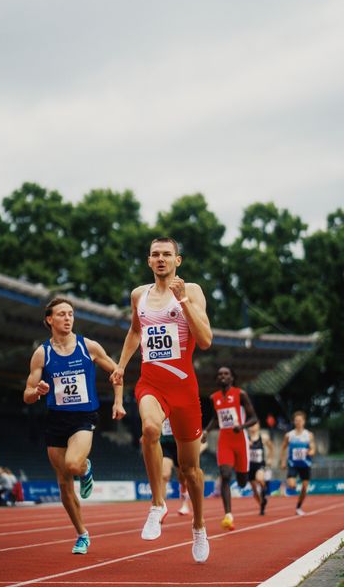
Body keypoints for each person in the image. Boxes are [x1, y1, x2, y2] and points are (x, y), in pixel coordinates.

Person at [111, 237, 212, 563]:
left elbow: (206, 340)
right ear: (149, 260)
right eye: (155, 254)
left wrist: (183, 302)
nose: (161, 259)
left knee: (191, 470)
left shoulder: (192, 290)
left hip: (184, 388)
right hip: (151, 383)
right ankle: (157, 504)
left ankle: (198, 525)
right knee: (150, 430)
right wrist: (122, 365)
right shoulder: (138, 295)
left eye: (167, 254)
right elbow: (135, 332)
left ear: (177, 260)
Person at [24, 297, 125, 555]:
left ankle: (86, 467)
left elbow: (116, 373)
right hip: (56, 420)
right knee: (63, 483)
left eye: (70, 314)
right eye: (61, 314)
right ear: (49, 320)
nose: (68, 318)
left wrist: (118, 402)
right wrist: (38, 391)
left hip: (83, 417)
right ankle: (82, 534)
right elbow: (26, 394)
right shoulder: (42, 353)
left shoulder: (87, 346)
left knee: (72, 464)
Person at [202, 366, 258, 531]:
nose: (222, 376)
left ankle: (243, 480)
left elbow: (254, 418)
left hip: (240, 440)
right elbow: (215, 418)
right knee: (225, 475)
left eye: (226, 374)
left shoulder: (240, 394)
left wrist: (242, 426)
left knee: (242, 482)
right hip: (224, 441)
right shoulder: (214, 397)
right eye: (219, 374)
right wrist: (206, 430)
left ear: (232, 378)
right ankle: (228, 515)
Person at [280, 410, 315, 515]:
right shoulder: (289, 435)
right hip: (293, 464)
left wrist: (310, 452)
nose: (298, 422)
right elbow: (283, 448)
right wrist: (283, 461)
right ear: (294, 422)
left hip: (305, 464)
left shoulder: (308, 435)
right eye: (296, 420)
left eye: (300, 420)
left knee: (304, 488)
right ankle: (287, 485)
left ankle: (298, 507)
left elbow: (313, 448)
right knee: (292, 485)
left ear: (304, 421)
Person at [248, 422, 274, 515]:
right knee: (254, 491)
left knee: (259, 479)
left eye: (254, 425)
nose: (252, 427)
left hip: (260, 464)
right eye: (250, 425)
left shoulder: (263, 437)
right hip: (249, 466)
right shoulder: (246, 438)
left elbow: (271, 447)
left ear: (258, 426)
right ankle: (262, 505)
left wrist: (270, 458)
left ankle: (264, 488)